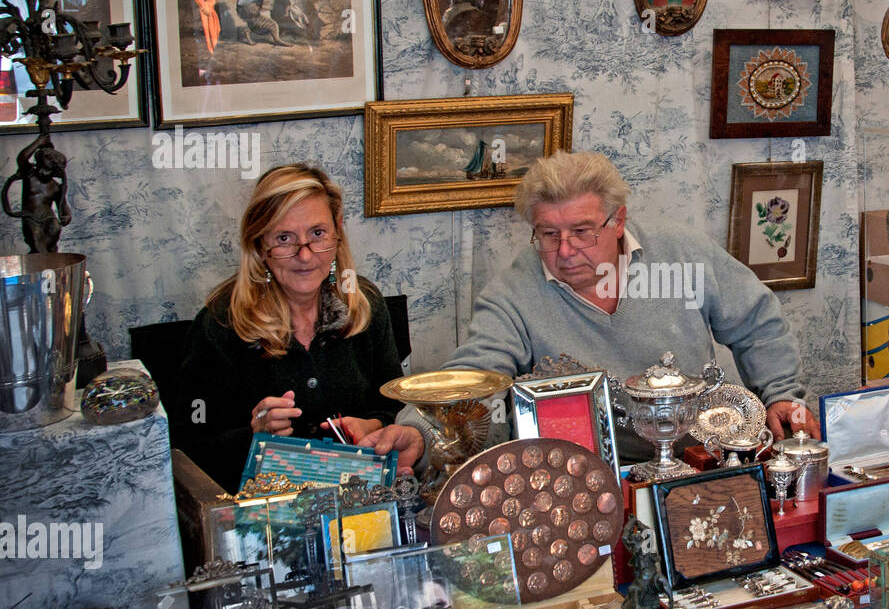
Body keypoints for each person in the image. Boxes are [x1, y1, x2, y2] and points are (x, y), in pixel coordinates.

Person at [364, 151, 818, 471]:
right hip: (586, 477)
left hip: (702, 456)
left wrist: (782, 394)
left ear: (617, 221)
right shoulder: (513, 293)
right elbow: (471, 377)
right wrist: (422, 435)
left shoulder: (680, 251)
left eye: (582, 231)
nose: (565, 251)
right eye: (548, 234)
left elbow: (757, 322)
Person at [176, 164, 420, 492]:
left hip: (359, 502)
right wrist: (255, 436)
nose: (304, 255)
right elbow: (186, 448)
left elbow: (394, 407)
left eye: (317, 234)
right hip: (263, 513)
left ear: (337, 233)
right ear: (260, 245)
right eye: (284, 238)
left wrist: (371, 425)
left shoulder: (364, 304)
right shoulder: (221, 323)